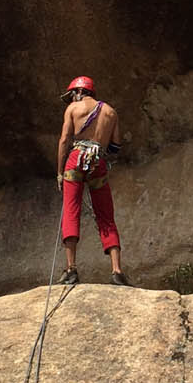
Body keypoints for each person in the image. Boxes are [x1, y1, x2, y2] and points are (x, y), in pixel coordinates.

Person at [55, 75, 130, 287]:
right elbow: (115, 147)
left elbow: (64, 140)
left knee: (71, 211)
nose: (71, 100)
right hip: (98, 162)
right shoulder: (110, 112)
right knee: (106, 215)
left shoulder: (72, 110)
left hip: (75, 158)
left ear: (78, 92)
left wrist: (60, 172)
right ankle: (116, 271)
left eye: (71, 96)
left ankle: (71, 270)